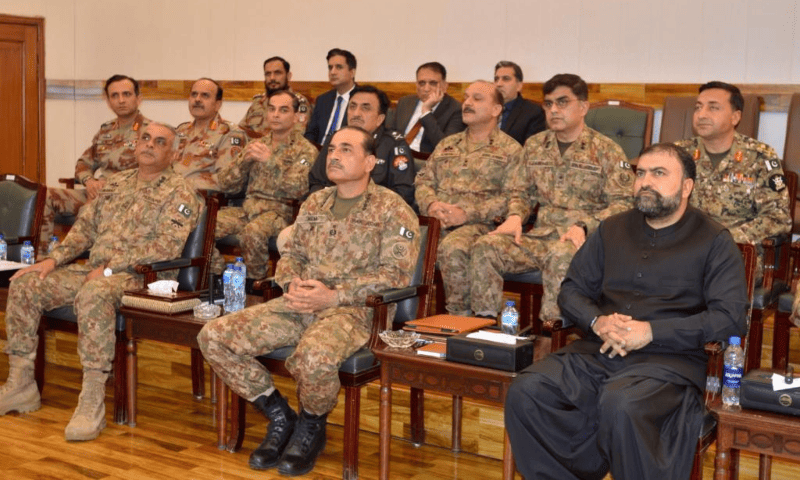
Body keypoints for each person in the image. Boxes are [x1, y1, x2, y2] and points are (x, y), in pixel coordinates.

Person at [505, 143, 748, 480]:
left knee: (620, 403)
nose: (645, 182)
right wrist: (598, 321)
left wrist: (650, 332)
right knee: (526, 391)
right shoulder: (611, 228)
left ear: (687, 186)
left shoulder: (714, 240)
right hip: (598, 350)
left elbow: (729, 318)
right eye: (641, 174)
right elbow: (571, 291)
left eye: (659, 174)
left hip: (668, 363)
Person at [198, 125, 420, 476]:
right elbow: (291, 254)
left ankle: (312, 424)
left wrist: (333, 296)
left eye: (346, 149)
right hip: (300, 302)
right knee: (213, 336)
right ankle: (280, 416)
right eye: (332, 148)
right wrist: (293, 283)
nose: (334, 155)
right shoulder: (315, 202)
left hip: (354, 311)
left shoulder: (393, 209)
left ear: (370, 162)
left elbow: (395, 277)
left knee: (313, 358)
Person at [0, 123, 202, 442]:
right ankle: (21, 384)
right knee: (27, 282)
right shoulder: (115, 183)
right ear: (135, 144)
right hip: (96, 270)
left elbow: (166, 247)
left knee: (95, 292)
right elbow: (83, 230)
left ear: (173, 153)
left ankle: (92, 400)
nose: (149, 145)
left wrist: (110, 269)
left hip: (142, 277)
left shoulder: (181, 192)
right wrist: (53, 260)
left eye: (159, 142)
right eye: (145, 138)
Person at [469, 73, 633, 321]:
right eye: (548, 104)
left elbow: (625, 204)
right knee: (486, 247)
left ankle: (550, 335)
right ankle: (485, 327)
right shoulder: (535, 145)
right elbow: (521, 192)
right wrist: (515, 215)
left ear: (584, 107)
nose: (554, 110)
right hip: (541, 237)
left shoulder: (606, 150)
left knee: (561, 255)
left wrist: (585, 227)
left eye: (563, 102)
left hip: (585, 243)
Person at [415, 80, 527, 316]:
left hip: (482, 226)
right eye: (466, 97)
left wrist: (466, 213)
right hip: (437, 223)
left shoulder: (510, 149)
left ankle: (466, 320)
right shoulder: (447, 144)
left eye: (477, 99)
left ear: (496, 109)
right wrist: (432, 205)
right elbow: (423, 181)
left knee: (454, 246)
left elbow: (514, 196)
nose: (467, 103)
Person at [675, 81, 791, 275]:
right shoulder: (678, 154)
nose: (702, 115)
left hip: (735, 252)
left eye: (713, 108)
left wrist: (724, 238)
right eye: (698, 107)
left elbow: (778, 218)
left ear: (735, 117)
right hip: (682, 247)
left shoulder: (760, 157)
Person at [215, 90, 318, 280]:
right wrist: (243, 162)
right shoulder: (256, 144)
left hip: (280, 213)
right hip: (247, 209)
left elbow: (298, 189)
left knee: (252, 233)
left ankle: (256, 287)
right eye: (272, 109)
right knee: (203, 224)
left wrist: (270, 161)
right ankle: (219, 278)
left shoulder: (305, 150)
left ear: (296, 116)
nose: (276, 115)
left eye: (283, 110)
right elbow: (225, 184)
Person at [40, 74, 150, 247]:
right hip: (97, 192)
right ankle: (42, 256)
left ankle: (79, 255)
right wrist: (89, 181)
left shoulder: (151, 132)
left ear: (139, 98)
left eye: (126, 94)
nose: (121, 100)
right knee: (44, 196)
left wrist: (111, 185)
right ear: (108, 101)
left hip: (129, 198)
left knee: (91, 208)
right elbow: (83, 163)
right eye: (115, 95)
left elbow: (155, 172)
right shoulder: (105, 131)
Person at [309, 84, 416, 207]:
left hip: (373, 216)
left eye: (365, 108)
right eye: (352, 107)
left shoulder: (394, 144)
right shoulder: (335, 139)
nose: (356, 113)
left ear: (380, 119)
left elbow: (404, 193)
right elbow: (315, 182)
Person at [174, 78, 247, 191]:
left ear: (218, 104)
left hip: (198, 199)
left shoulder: (229, 134)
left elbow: (226, 181)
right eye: (194, 94)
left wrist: (183, 185)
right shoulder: (181, 131)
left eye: (205, 96)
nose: (197, 99)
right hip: (167, 195)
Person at [386, 62, 464, 153]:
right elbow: (390, 133)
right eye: (422, 83)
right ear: (416, 85)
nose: (426, 89)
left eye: (433, 83)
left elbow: (446, 148)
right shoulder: (405, 102)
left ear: (444, 86)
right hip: (398, 155)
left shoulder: (456, 109)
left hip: (426, 160)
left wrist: (426, 112)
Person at [239, 56, 313, 139]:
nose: (272, 78)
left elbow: (296, 137)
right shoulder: (258, 101)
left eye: (277, 73)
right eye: (268, 74)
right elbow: (241, 130)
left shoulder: (298, 102)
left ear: (288, 76)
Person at [304, 48, 357, 145]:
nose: (332, 72)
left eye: (339, 67)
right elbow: (311, 133)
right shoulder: (323, 100)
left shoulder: (362, 99)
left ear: (352, 72)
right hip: (319, 153)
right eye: (330, 67)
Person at [494, 60, 546, 145]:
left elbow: (532, 149)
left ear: (519, 86)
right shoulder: (487, 109)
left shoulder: (533, 112)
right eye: (496, 79)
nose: (499, 84)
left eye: (506, 79)